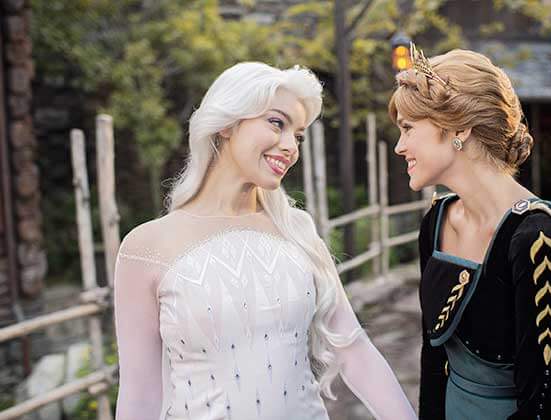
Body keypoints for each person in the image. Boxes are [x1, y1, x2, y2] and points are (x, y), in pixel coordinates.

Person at [113, 62, 417, 420]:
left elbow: (354, 351)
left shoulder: (297, 230)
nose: (290, 146)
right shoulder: (146, 246)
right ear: (227, 122)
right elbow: (140, 395)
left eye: (299, 136)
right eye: (277, 123)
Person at [389, 44, 551, 420]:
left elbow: (549, 403)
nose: (399, 146)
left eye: (408, 128)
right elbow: (433, 362)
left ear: (458, 126)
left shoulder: (538, 239)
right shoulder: (437, 222)